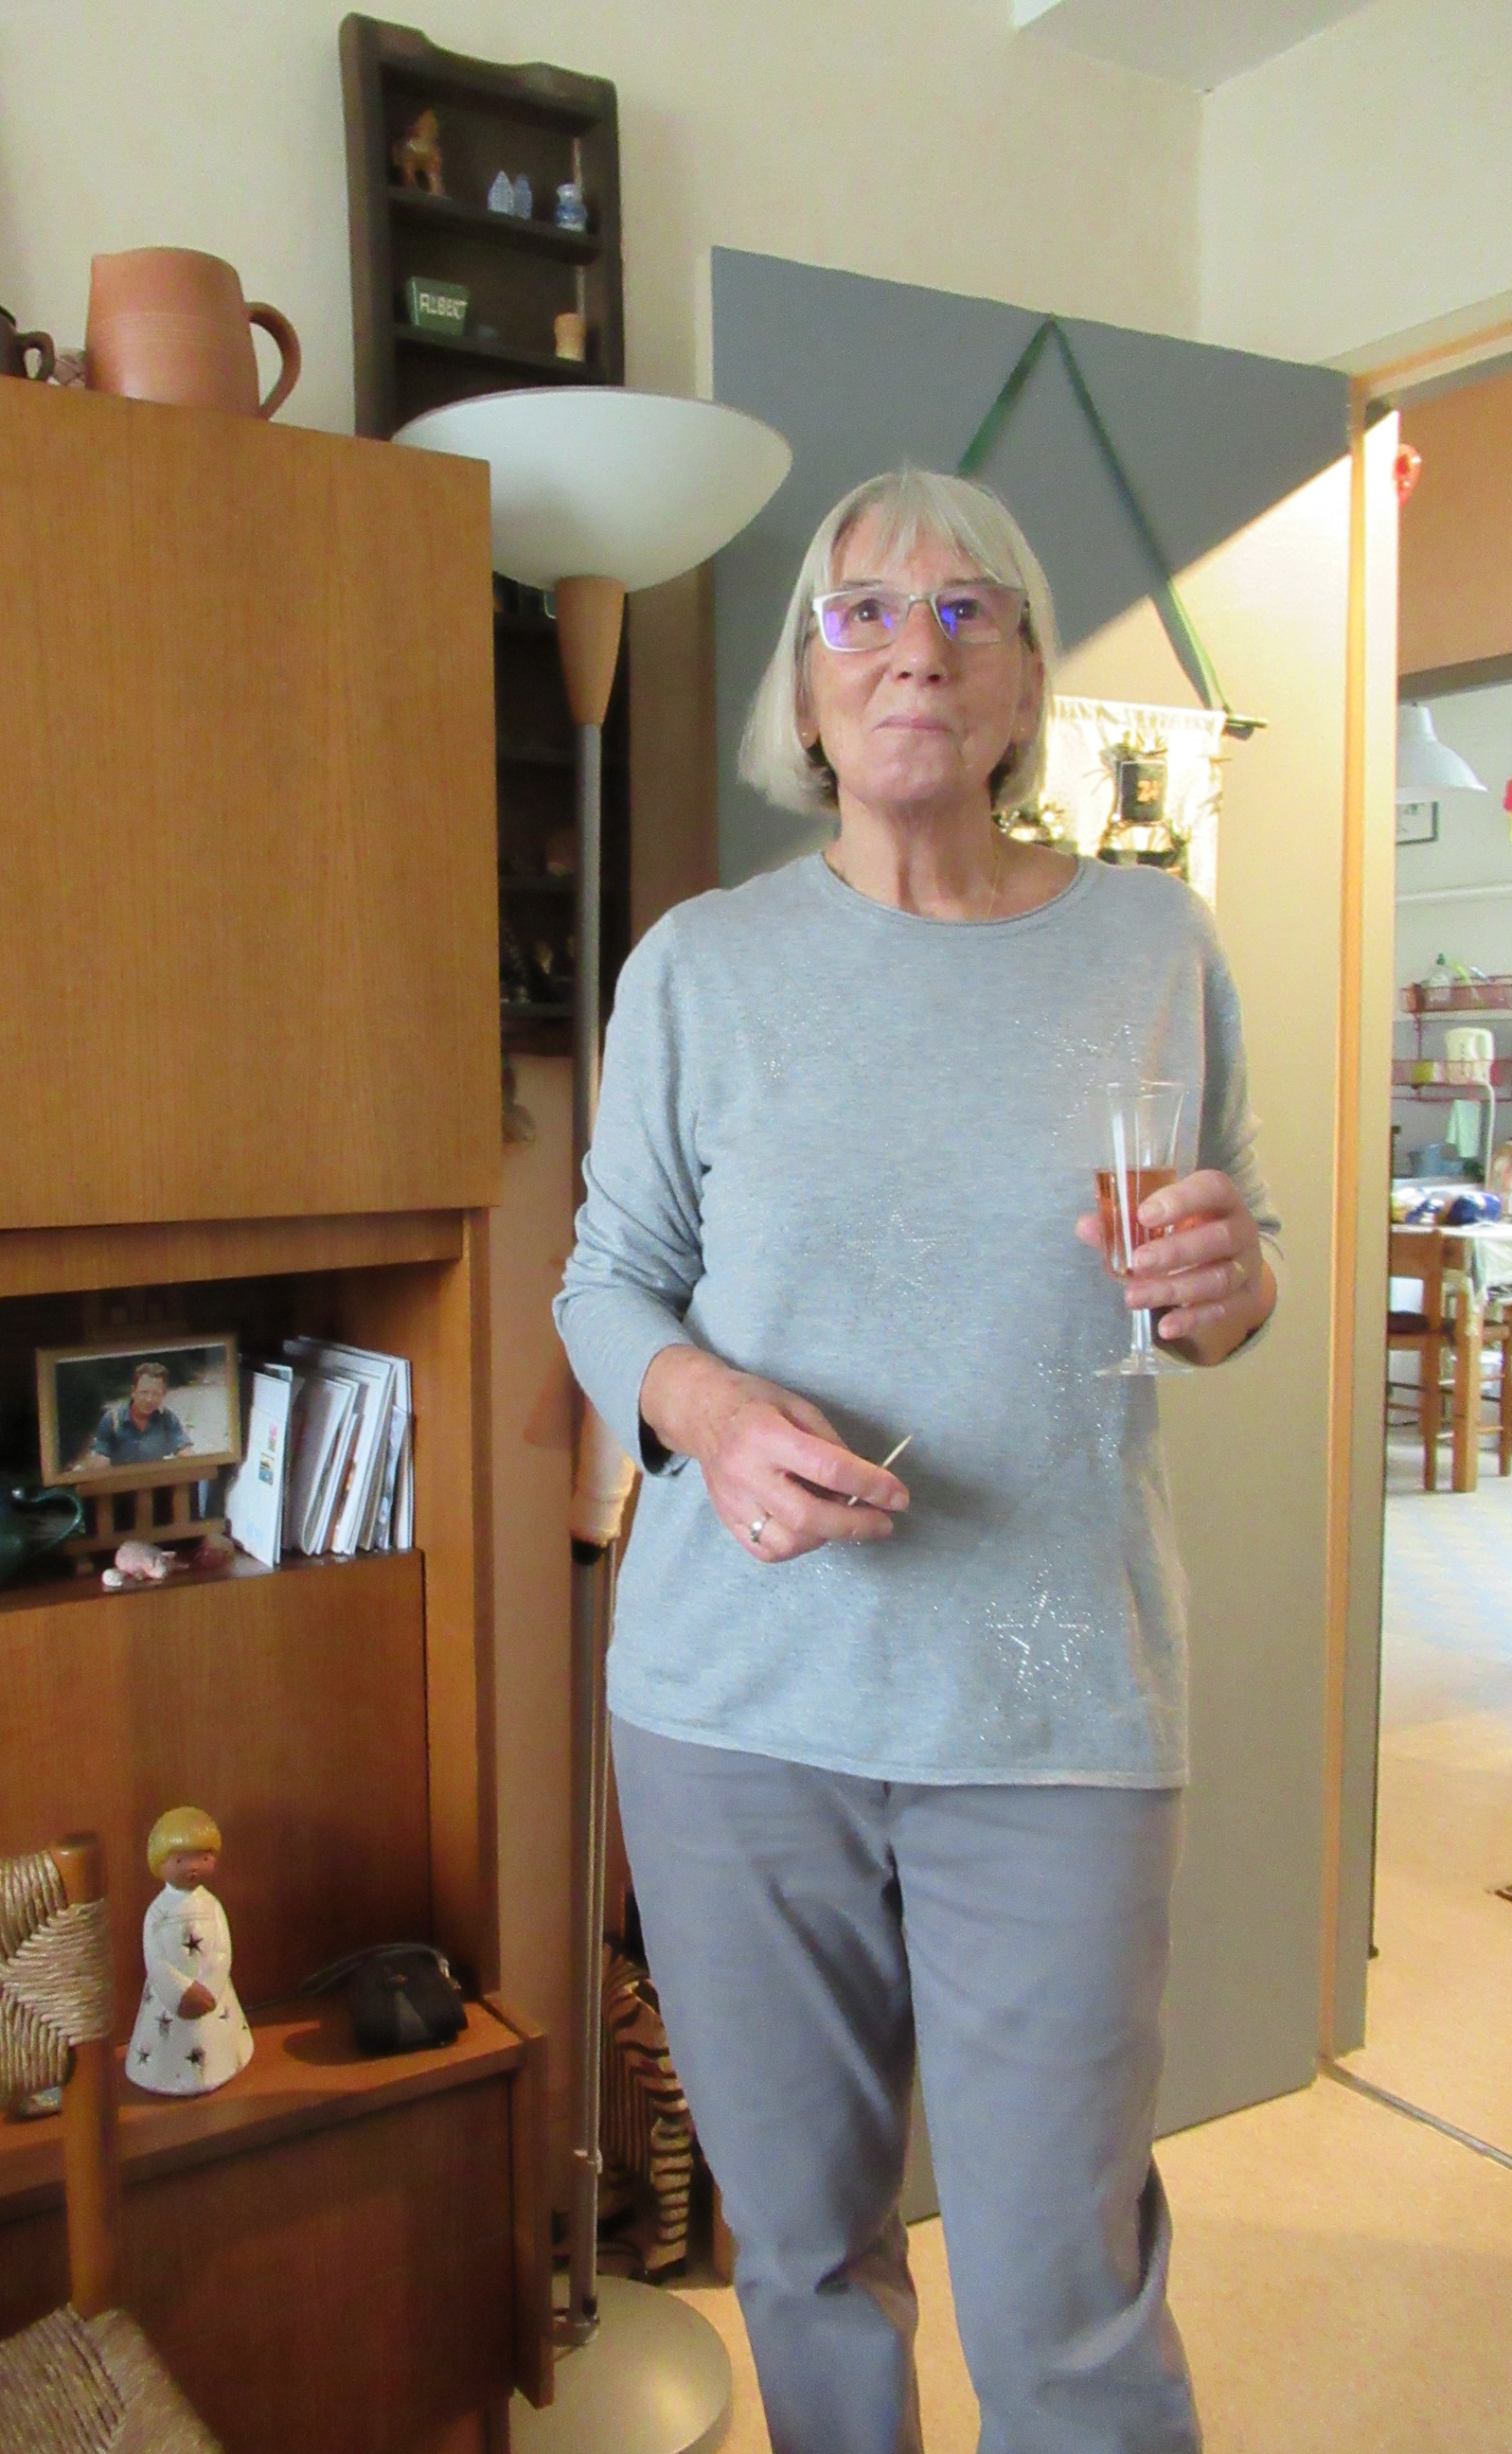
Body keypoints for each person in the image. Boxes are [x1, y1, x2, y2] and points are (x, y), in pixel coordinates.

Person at [554, 467, 1280, 2454]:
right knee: (801, 2252)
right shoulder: (699, 966)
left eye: (970, 610)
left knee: (1062, 2290)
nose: (916, 650)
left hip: (1054, 1705)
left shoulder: (1152, 944)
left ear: (1026, 681)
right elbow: (605, 1284)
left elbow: (1223, 1279)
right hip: (734, 1709)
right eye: (863, 611)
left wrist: (1233, 1288)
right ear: (805, 691)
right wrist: (706, 1411)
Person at [126, 1805, 254, 2095]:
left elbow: (222, 1951)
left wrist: (209, 1989)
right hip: (171, 2005)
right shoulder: (157, 1913)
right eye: (180, 1860)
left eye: (203, 1858)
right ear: (160, 1862)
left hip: (211, 1998)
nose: (192, 1867)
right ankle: (167, 2075)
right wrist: (181, 1993)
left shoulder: (212, 1906)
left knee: (212, 2041)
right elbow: (156, 1960)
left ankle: (221, 2065)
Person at [80, 1359, 191, 1471]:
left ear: (164, 1394)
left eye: (156, 1394)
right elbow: (100, 1458)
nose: (149, 1399)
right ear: (133, 1392)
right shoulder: (112, 1420)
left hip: (155, 1478)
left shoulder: (167, 1419)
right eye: (144, 1392)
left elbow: (184, 1449)